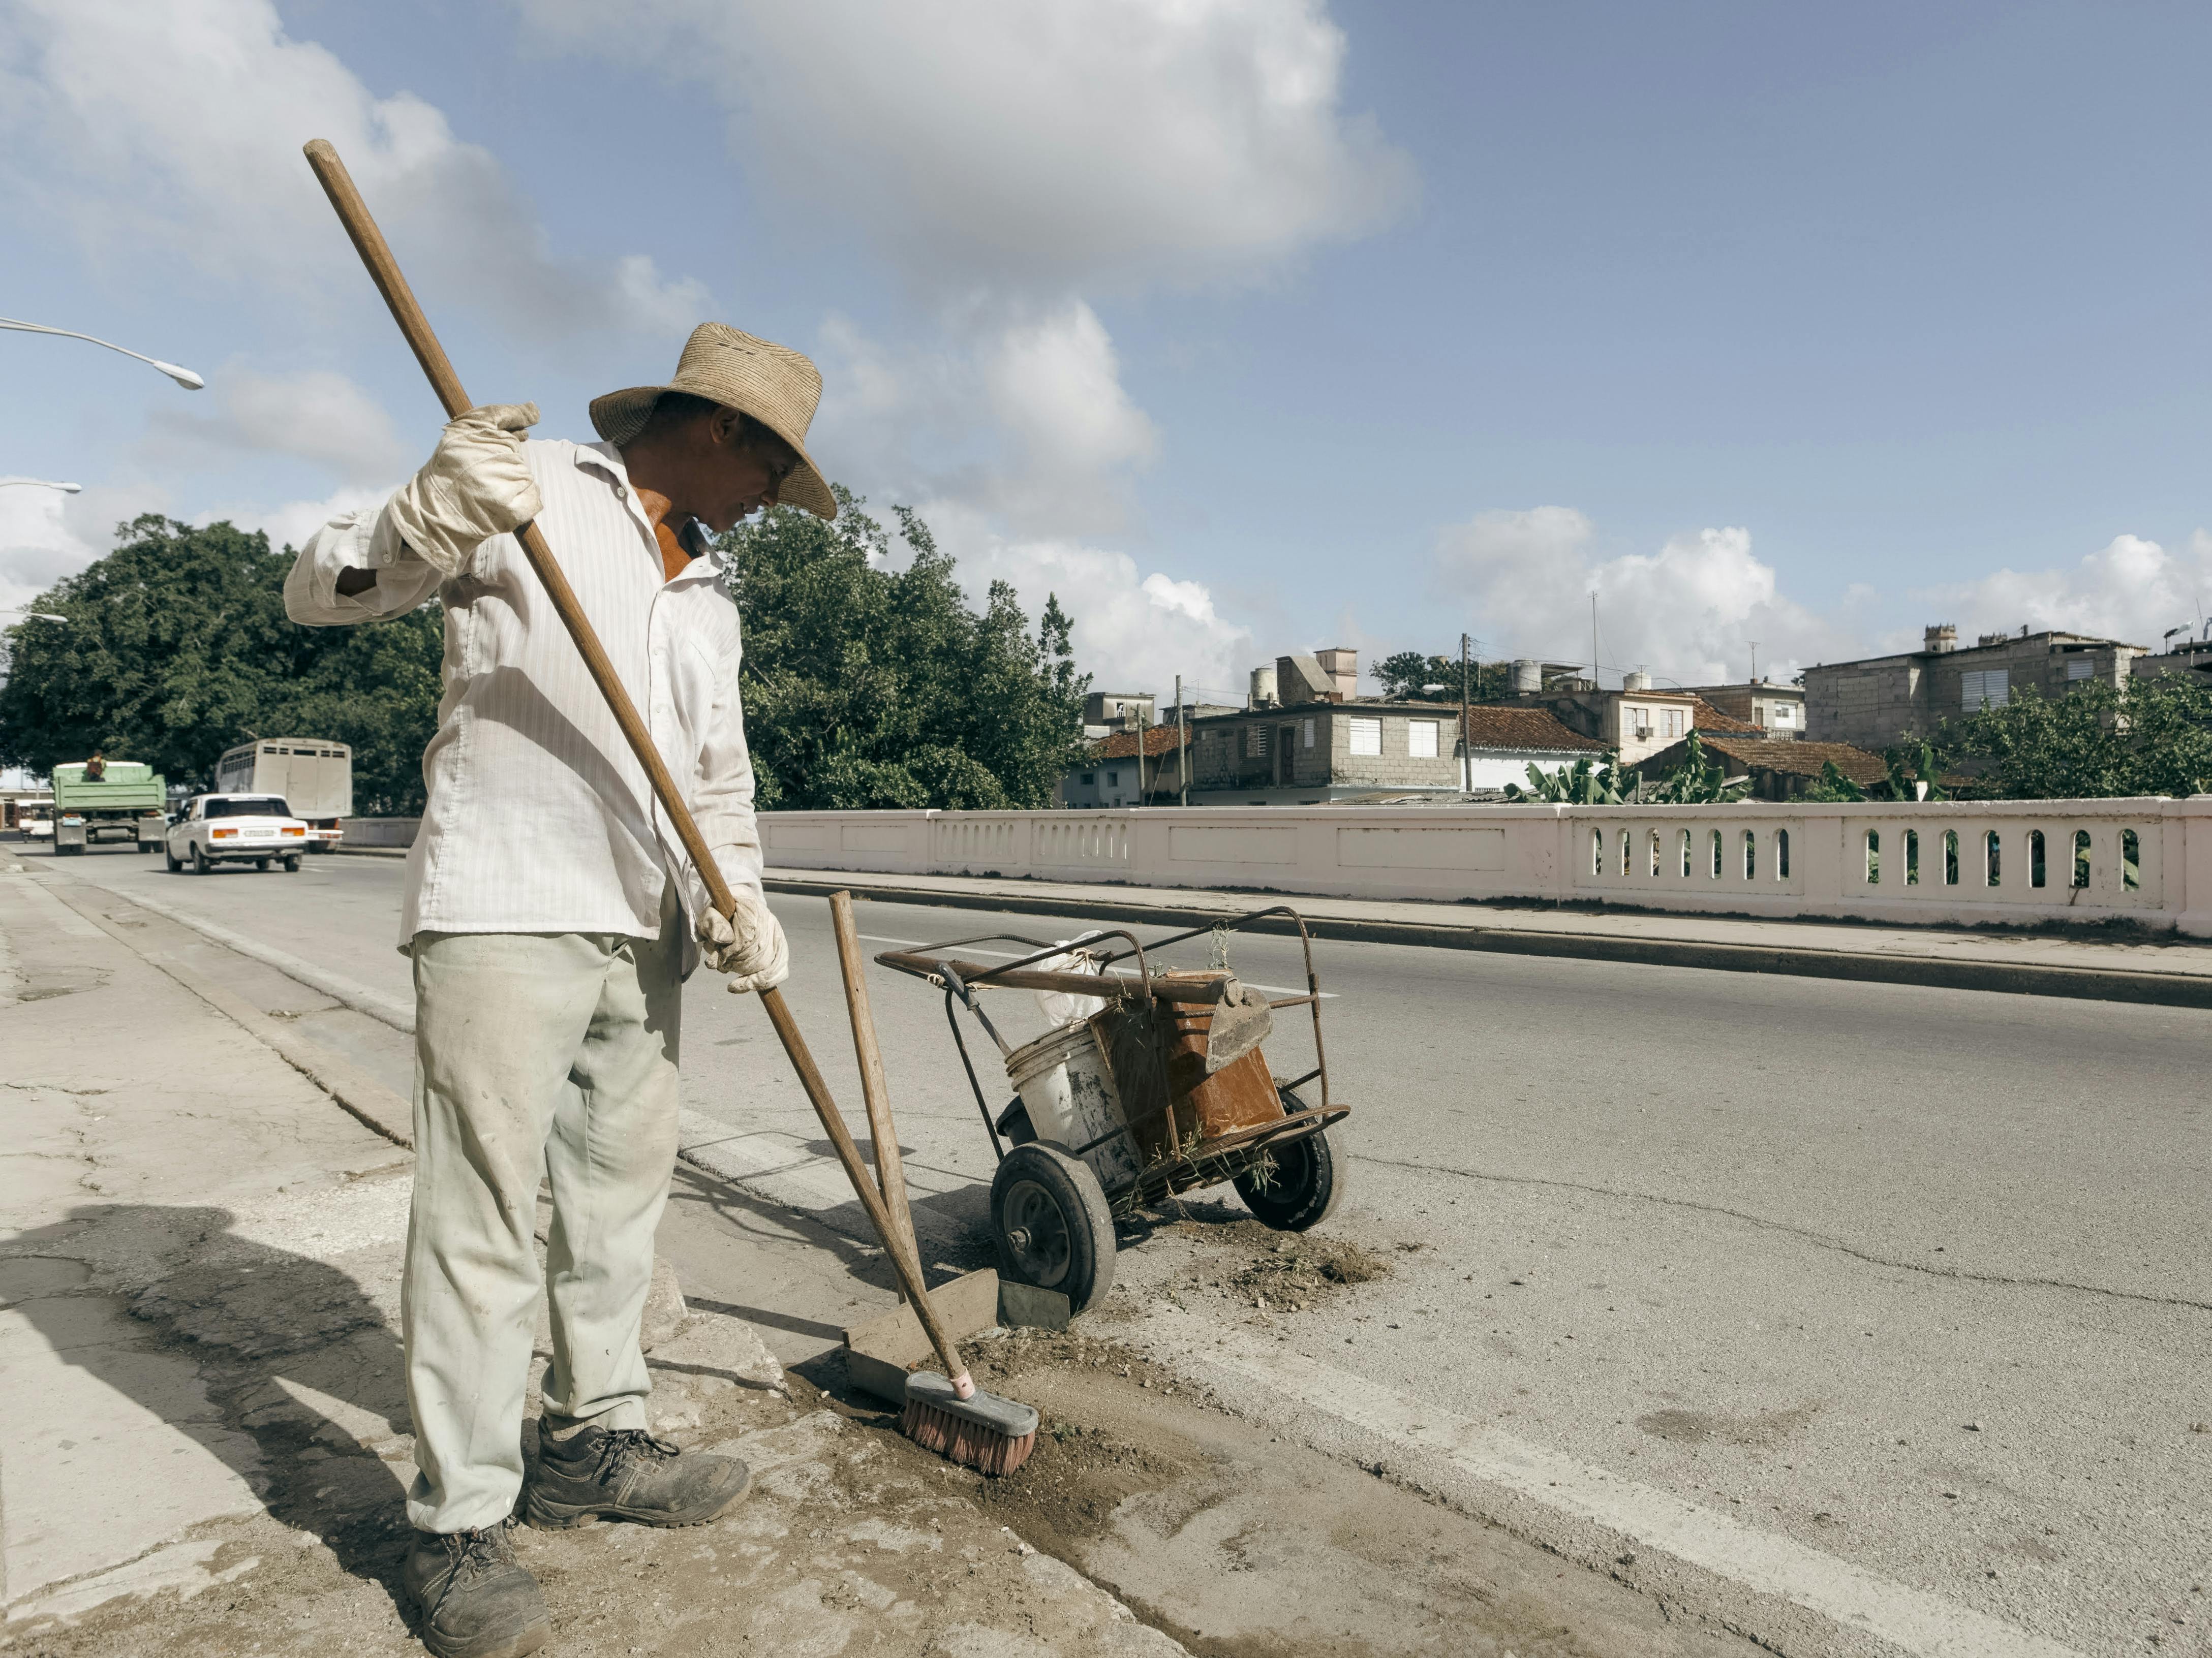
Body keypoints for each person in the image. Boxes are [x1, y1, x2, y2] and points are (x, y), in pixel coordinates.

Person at [285, 323, 837, 1658]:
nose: (773, 502)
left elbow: (716, 783)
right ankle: (457, 1523)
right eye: (775, 472)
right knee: (482, 1220)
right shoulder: (526, 490)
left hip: (643, 926)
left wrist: (741, 901)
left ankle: (594, 1440)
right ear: (720, 434)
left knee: (613, 1209)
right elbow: (323, 589)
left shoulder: (711, 598)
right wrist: (419, 517)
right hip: (505, 901)